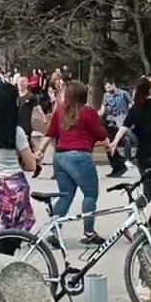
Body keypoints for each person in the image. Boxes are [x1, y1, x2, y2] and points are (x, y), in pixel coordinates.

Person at [39, 81, 110, 245]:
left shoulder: (59, 112)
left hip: (60, 157)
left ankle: (54, 232)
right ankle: (88, 232)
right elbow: (101, 134)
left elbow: (49, 134)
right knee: (90, 195)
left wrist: (40, 151)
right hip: (80, 157)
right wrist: (108, 145)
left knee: (65, 195)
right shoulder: (89, 113)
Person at [0, 82, 38, 244]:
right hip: (13, 188)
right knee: (12, 235)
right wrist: (36, 157)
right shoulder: (16, 132)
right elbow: (31, 165)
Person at [110, 76, 151, 199]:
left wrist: (114, 142)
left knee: (147, 191)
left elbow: (124, 126)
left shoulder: (136, 108)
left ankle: (136, 213)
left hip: (144, 156)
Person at [101, 80, 133, 177]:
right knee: (109, 143)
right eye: (106, 88)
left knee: (124, 139)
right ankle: (118, 166)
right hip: (111, 122)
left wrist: (129, 116)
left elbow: (131, 104)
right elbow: (103, 108)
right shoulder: (106, 95)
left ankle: (125, 161)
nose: (108, 90)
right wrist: (98, 114)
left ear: (113, 85)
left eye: (109, 88)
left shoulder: (123, 94)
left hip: (123, 120)